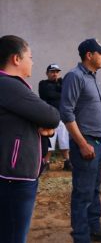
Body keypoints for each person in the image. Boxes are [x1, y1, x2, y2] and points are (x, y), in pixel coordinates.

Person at [0, 35, 60, 243]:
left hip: (14, 175)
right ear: (16, 59)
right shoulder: (8, 85)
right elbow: (52, 116)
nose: (32, 62)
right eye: (30, 56)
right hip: (13, 178)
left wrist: (47, 130)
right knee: (13, 236)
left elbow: (42, 121)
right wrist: (46, 125)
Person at [60, 38, 101, 242]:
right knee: (83, 191)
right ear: (89, 55)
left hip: (98, 141)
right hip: (85, 143)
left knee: (94, 187)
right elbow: (66, 113)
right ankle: (81, 236)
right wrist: (82, 143)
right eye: (100, 53)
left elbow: (92, 110)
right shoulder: (74, 77)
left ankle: (94, 227)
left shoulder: (92, 77)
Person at [39, 63, 72, 171]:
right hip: (49, 118)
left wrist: (56, 92)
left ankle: (67, 162)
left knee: (64, 141)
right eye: (52, 72)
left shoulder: (63, 83)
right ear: (47, 73)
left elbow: (67, 95)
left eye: (57, 72)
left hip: (62, 117)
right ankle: (46, 163)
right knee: (50, 142)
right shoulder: (43, 84)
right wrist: (58, 92)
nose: (55, 74)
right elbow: (47, 95)